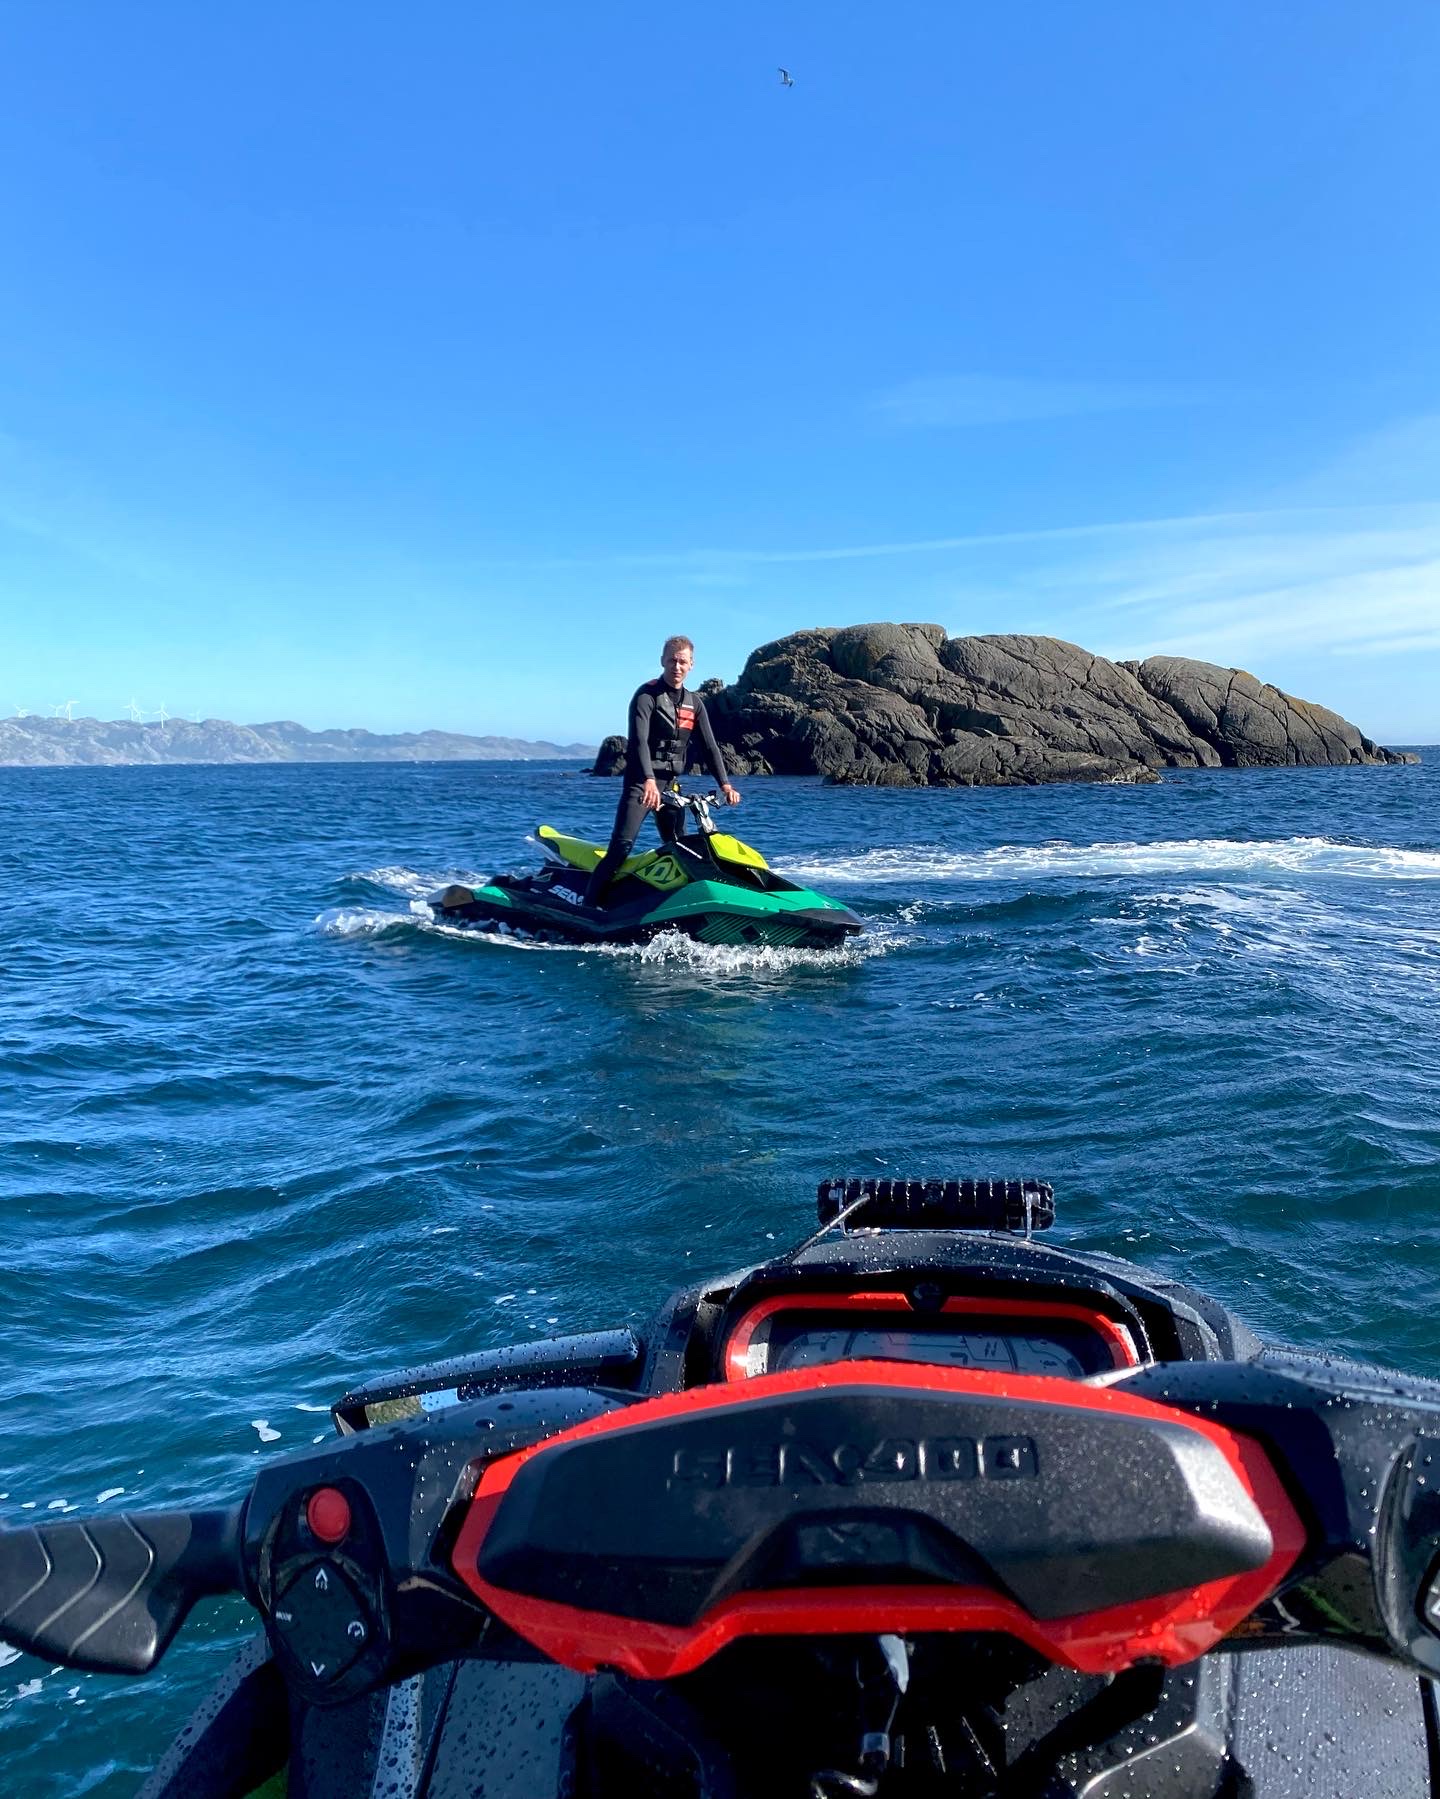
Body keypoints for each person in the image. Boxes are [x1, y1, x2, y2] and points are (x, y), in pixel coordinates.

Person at [583, 636, 741, 907]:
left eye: (682, 661)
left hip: (670, 786)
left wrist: (725, 785)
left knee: (681, 848)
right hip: (641, 784)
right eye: (672, 660)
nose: (676, 666)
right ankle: (588, 907)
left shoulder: (694, 703)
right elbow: (639, 742)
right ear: (662, 661)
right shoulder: (647, 696)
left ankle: (678, 905)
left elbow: (710, 747)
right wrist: (648, 780)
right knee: (622, 846)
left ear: (691, 664)